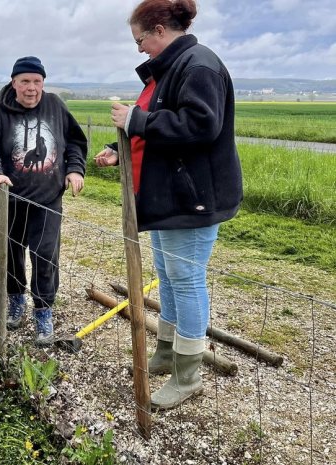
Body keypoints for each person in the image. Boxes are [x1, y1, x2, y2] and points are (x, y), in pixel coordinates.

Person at [94, 0, 242, 410]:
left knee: (187, 280)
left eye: (140, 40)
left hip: (192, 198)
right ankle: (165, 351)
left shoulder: (198, 65)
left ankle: (188, 375)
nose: (140, 49)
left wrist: (134, 122)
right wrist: (117, 147)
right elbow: (156, 119)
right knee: (170, 275)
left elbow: (199, 125)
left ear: (159, 30)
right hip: (167, 195)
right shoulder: (172, 67)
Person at [0, 56, 87, 346]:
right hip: (12, 198)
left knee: (45, 255)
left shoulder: (55, 106)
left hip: (48, 200)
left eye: (37, 81)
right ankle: (16, 300)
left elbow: (76, 141)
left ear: (43, 83)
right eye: (25, 81)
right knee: (12, 254)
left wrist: (75, 169)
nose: (31, 88)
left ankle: (43, 311)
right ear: (14, 83)